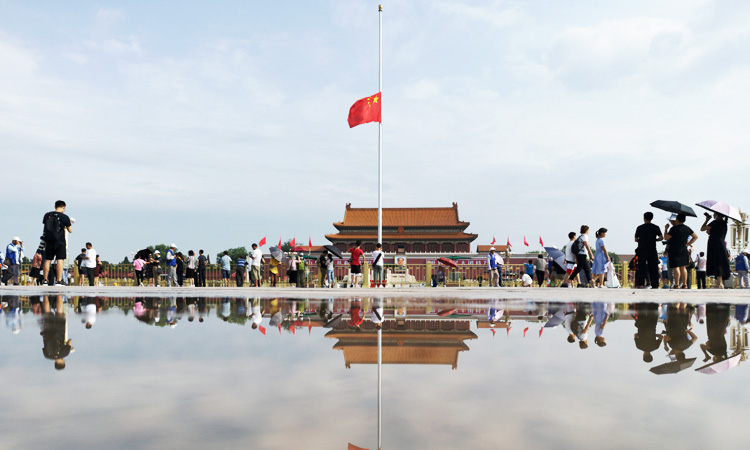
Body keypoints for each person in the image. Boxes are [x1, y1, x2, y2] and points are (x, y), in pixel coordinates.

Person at [42, 200, 73, 286]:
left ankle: (45, 280)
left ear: (55, 206)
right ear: (63, 207)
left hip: (49, 241)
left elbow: (45, 227)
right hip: (60, 242)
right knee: (60, 260)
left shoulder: (47, 215)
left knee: (48, 260)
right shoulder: (65, 217)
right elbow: (70, 230)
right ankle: (59, 281)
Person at [664, 213, 698, 289]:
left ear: (677, 219)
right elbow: (695, 237)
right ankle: (685, 284)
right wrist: (688, 243)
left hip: (674, 249)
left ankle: (676, 284)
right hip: (683, 249)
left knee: (676, 267)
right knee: (683, 267)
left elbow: (666, 237)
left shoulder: (674, 229)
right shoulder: (687, 228)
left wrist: (666, 228)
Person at [700, 212, 731, 288]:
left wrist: (707, 220)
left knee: (717, 262)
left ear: (717, 214)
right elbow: (710, 232)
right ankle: (718, 283)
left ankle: (720, 283)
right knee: (719, 262)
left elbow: (702, 229)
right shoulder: (724, 223)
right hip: (721, 243)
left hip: (715, 244)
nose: (713, 215)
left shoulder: (715, 222)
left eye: (714, 214)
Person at [634, 212, 663, 289]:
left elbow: (636, 239)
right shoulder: (656, 227)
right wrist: (654, 240)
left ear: (644, 218)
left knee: (641, 267)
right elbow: (661, 238)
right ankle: (655, 285)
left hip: (642, 250)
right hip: (652, 249)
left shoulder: (639, 228)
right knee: (653, 268)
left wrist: (642, 240)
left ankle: (641, 284)